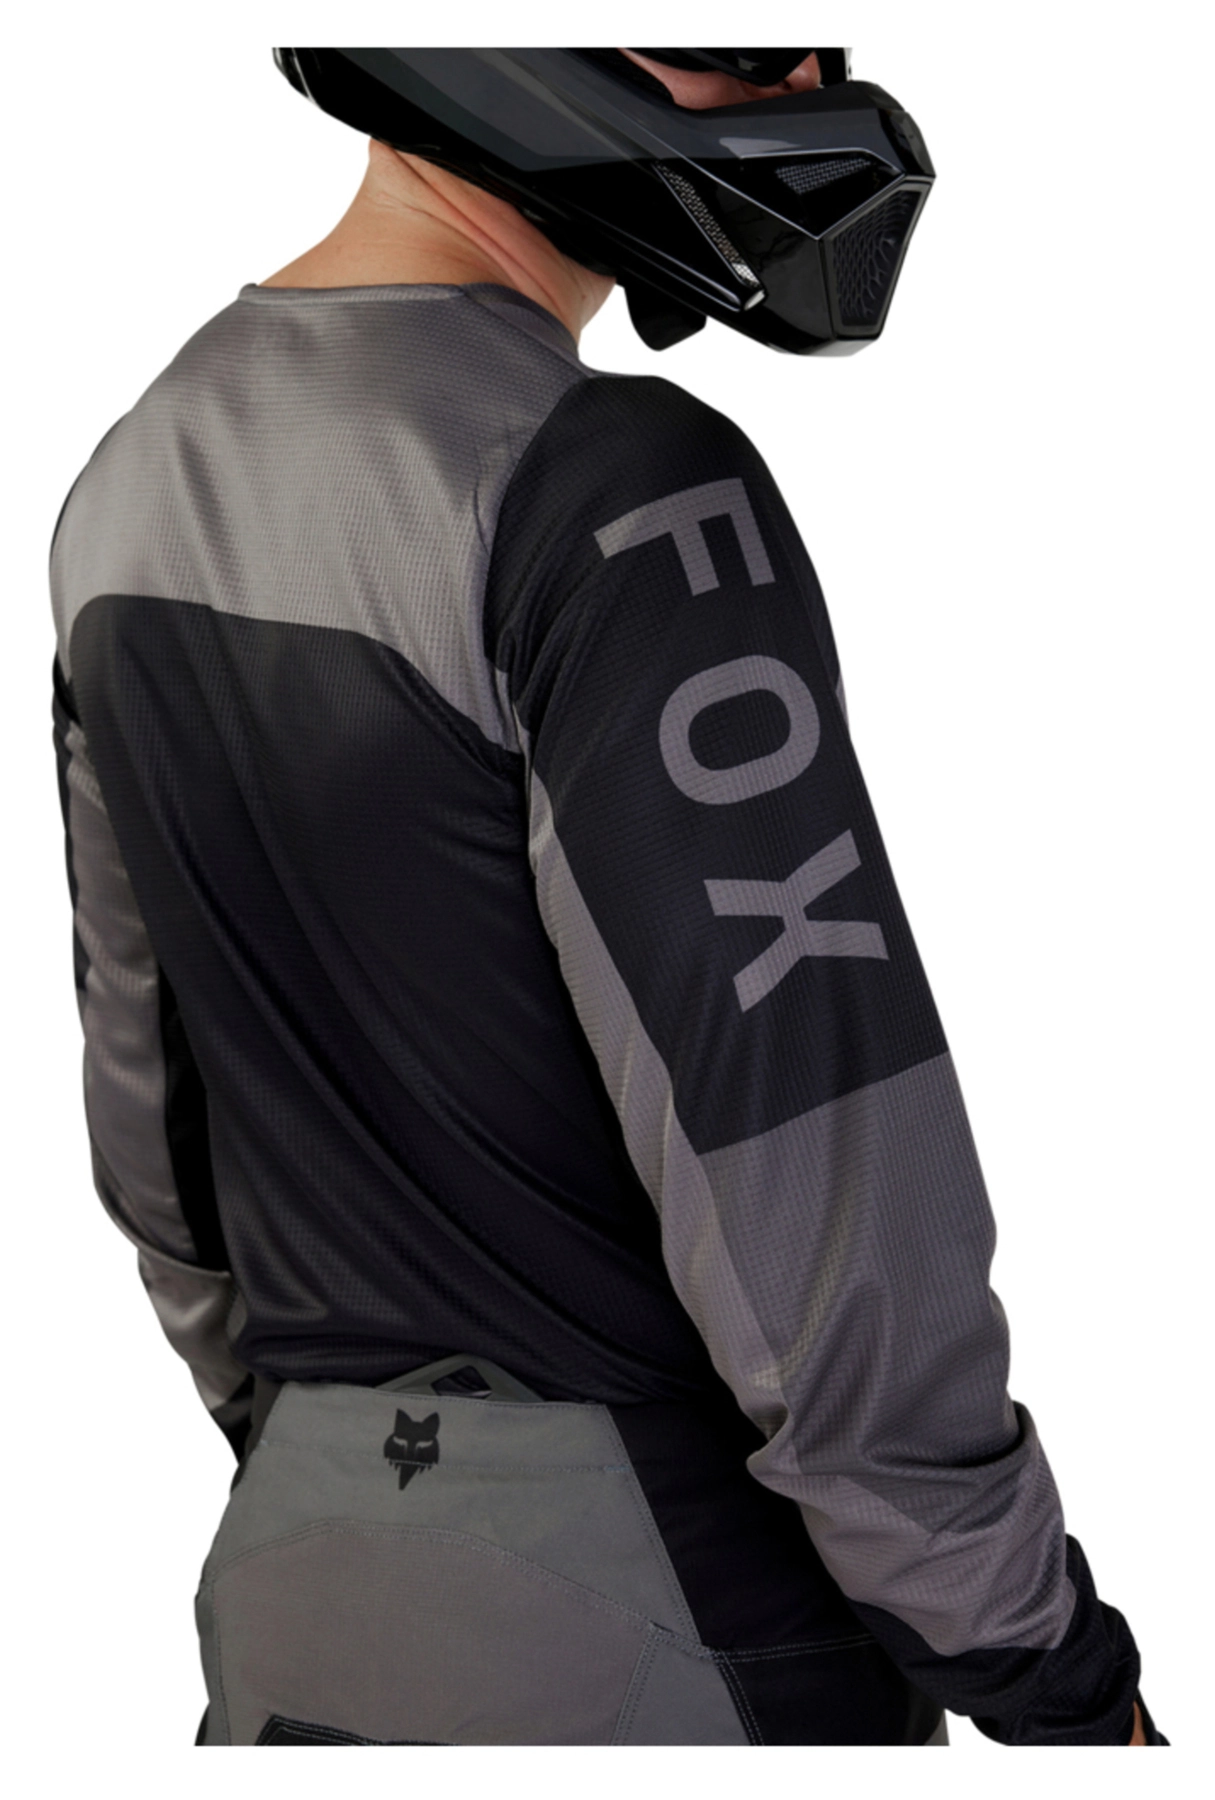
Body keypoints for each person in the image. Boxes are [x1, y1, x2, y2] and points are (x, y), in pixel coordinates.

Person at [47, 47, 1165, 1746]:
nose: (804, 81)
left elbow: (150, 1129)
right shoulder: (617, 484)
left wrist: (340, 1460)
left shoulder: (127, 482)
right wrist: (1044, 1670)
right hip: (674, 1628)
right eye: (743, 37)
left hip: (294, 1595)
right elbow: (815, 1172)